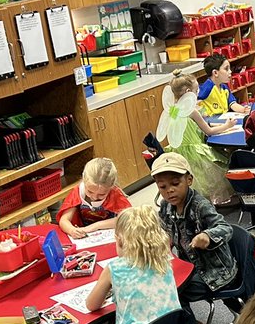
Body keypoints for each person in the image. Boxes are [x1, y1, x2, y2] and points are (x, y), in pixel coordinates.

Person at [152, 152, 238, 306]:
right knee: (155, 282)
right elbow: (165, 234)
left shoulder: (200, 206)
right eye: (163, 187)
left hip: (214, 272)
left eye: (175, 183)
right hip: (189, 266)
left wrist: (207, 235)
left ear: (189, 180)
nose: (169, 190)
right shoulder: (166, 206)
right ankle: (185, 323)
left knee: (170, 291)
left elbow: (225, 228)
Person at [158, 72, 239, 205]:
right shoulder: (191, 111)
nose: (197, 94)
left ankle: (194, 204)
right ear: (189, 92)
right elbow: (209, 131)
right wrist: (227, 125)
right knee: (224, 163)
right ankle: (206, 205)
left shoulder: (172, 109)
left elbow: (192, 126)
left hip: (177, 154)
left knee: (196, 184)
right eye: (196, 91)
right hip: (195, 155)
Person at [57, 157, 132, 240]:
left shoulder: (114, 193)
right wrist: (72, 230)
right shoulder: (77, 192)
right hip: (85, 236)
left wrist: (95, 226)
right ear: (84, 181)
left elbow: (128, 218)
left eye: (101, 194)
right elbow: (64, 220)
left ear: (111, 187)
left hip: (109, 234)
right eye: (90, 192)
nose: (94, 197)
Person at [197, 53, 250, 117]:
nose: (230, 71)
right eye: (226, 69)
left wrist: (243, 109)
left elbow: (232, 104)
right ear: (215, 73)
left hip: (223, 119)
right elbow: (195, 103)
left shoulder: (224, 87)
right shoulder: (207, 88)